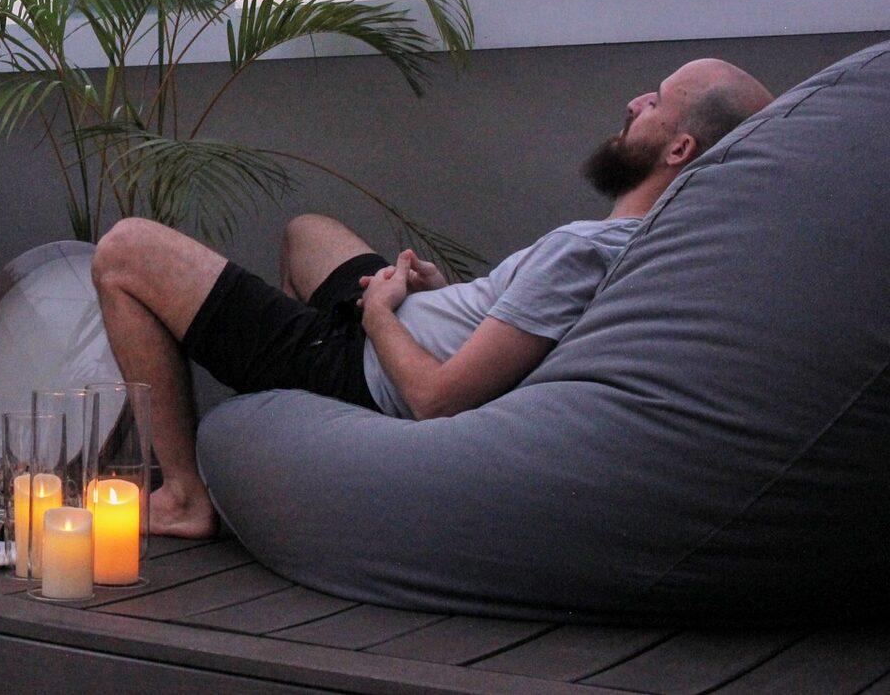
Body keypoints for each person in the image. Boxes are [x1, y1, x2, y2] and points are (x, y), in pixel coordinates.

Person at [91, 58, 774, 538]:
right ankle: (285, 389)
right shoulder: (634, 245)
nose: (634, 104)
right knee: (309, 232)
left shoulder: (589, 251)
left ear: (679, 147)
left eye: (654, 102)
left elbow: (436, 398)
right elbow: (509, 338)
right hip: (381, 334)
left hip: (362, 365)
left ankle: (186, 494)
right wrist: (440, 294)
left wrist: (382, 312)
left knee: (124, 249)